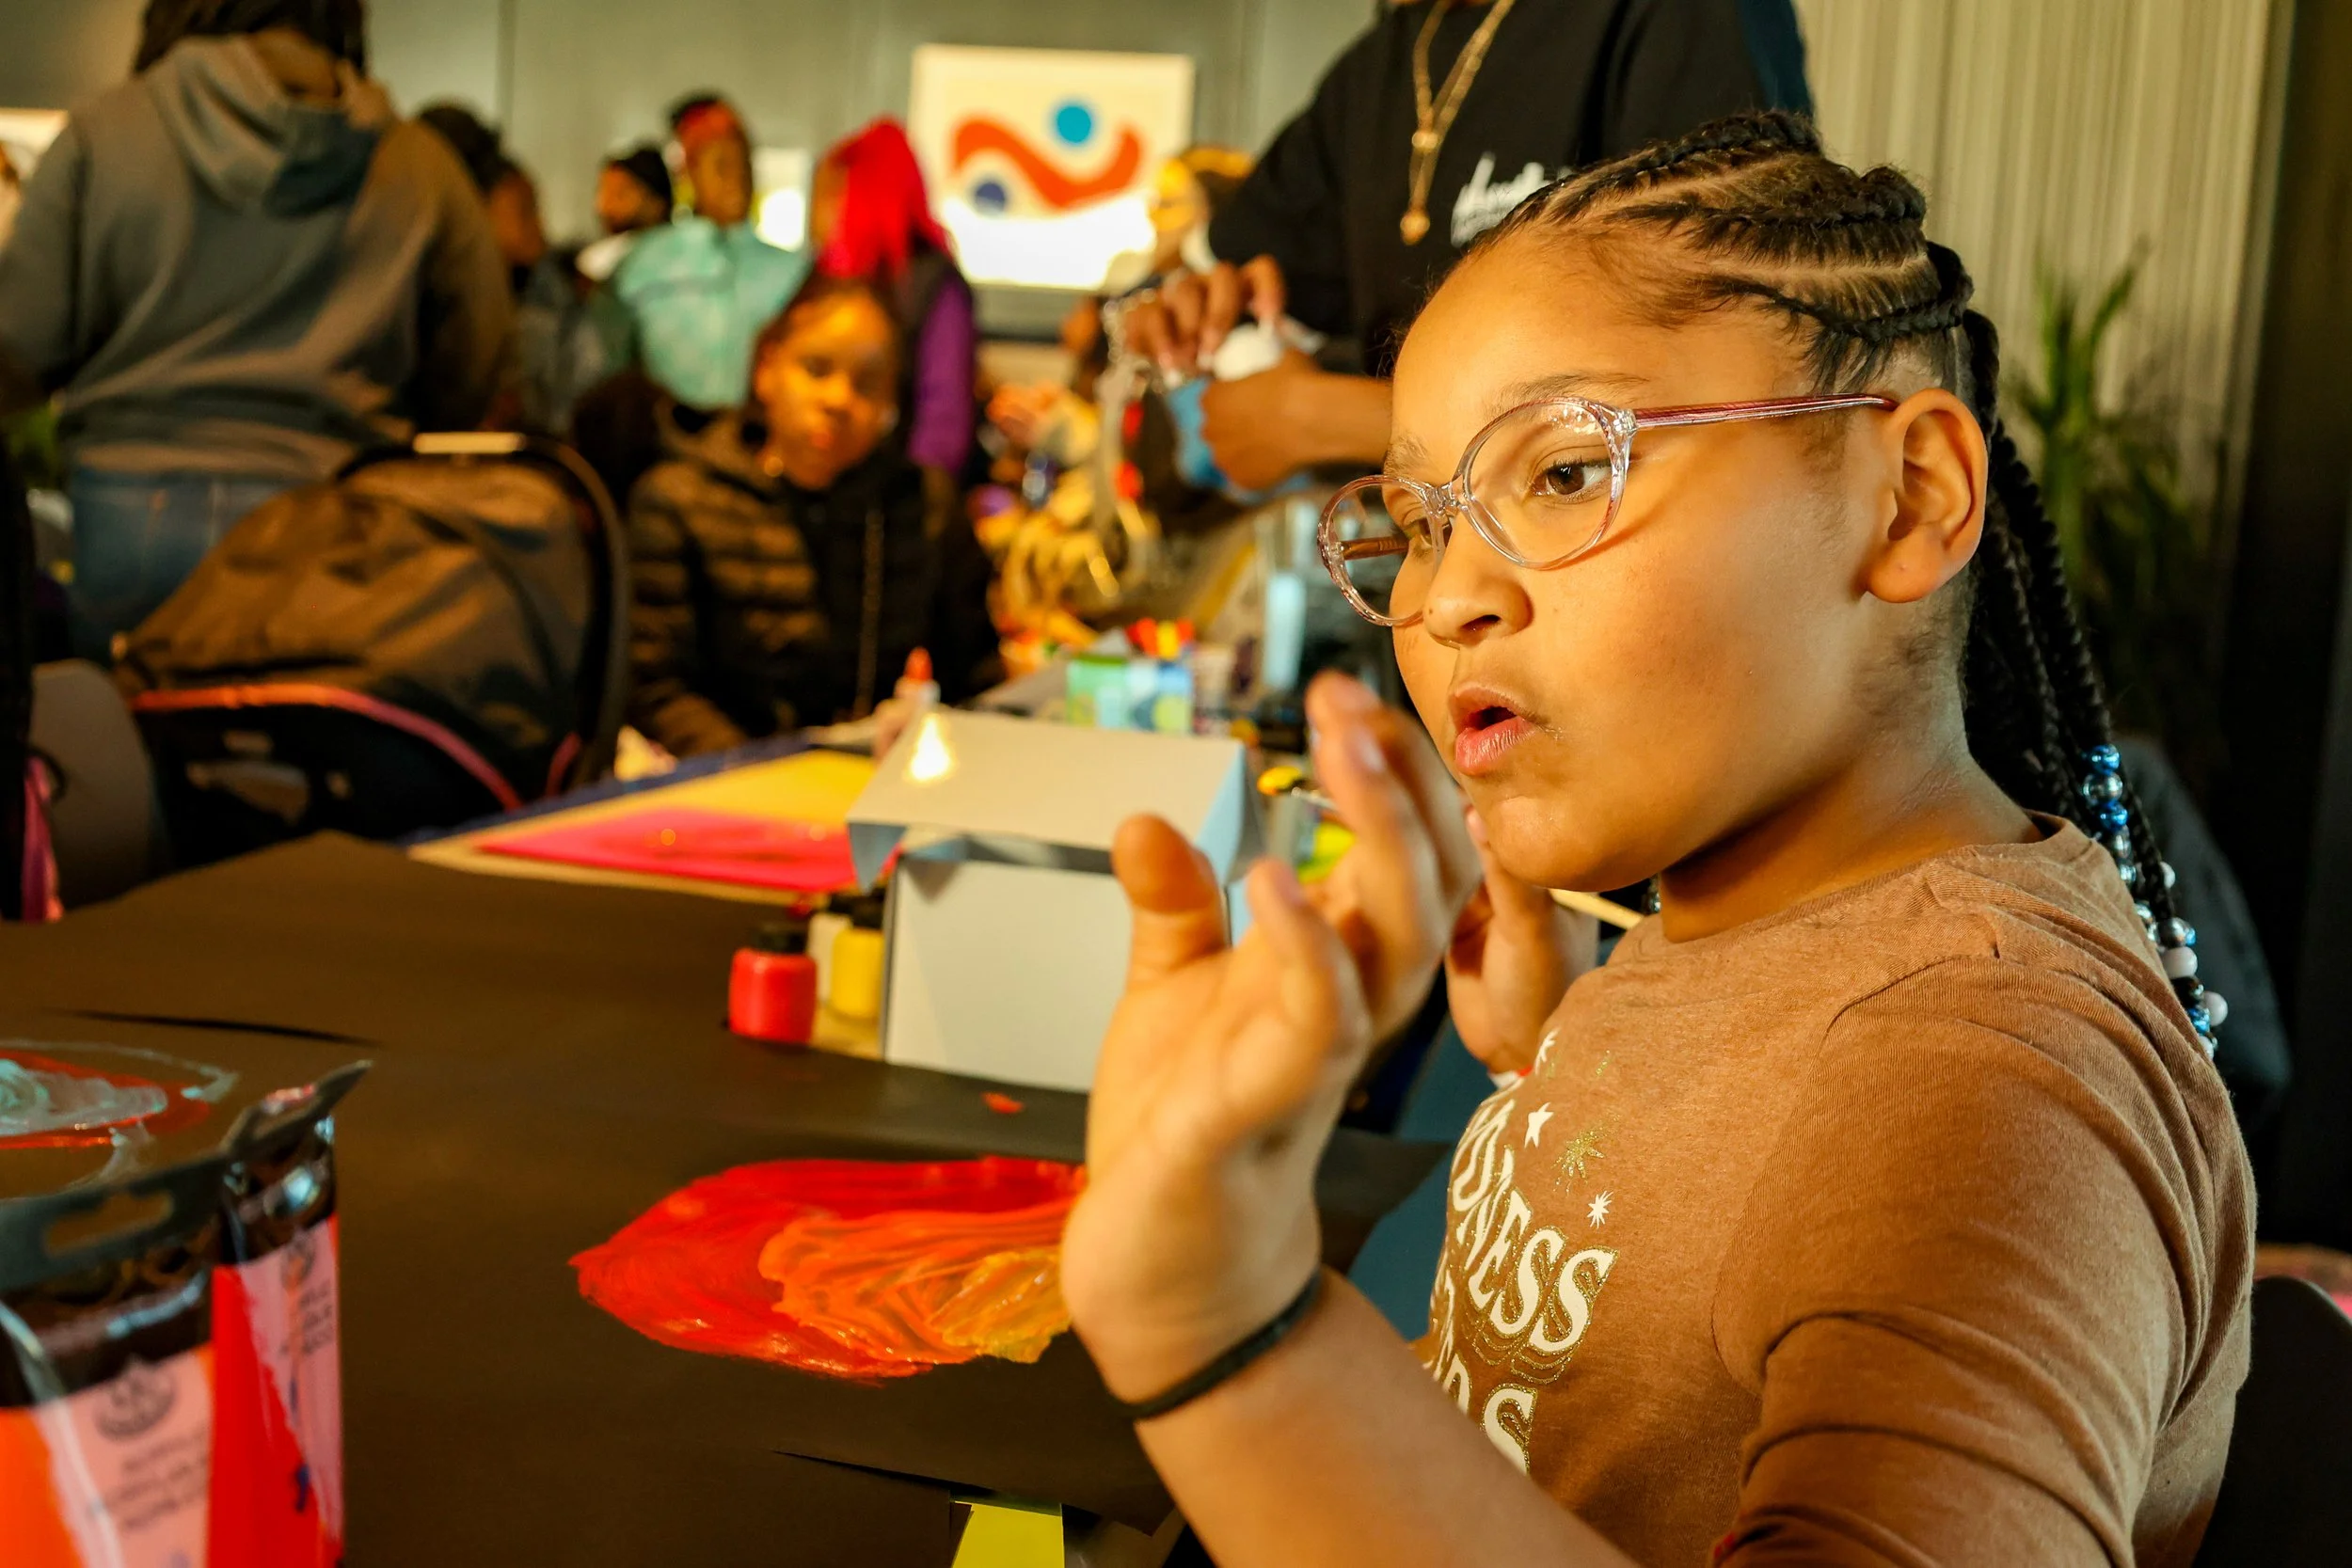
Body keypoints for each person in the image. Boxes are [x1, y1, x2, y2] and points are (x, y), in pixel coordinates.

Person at [1060, 112, 2252, 1567]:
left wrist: (1224, 1329)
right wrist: (1555, 1042)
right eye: (1422, 520)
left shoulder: (1985, 1084)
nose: (1445, 602)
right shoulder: (1767, 916)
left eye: (1562, 471)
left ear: (1910, 496)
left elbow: (1878, 1140)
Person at [1126, 0, 1810, 493]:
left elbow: (1735, 376)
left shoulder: (1677, 19)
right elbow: (1212, 278)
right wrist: (1189, 318)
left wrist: (1332, 421)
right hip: (1428, 584)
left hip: (1618, 604)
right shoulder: (1385, 65)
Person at [0, 0, 510, 658]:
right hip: (338, 523)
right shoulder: (417, 163)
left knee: (130, 743)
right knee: (308, 748)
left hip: (134, 520)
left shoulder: (105, 135)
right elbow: (480, 364)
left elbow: (20, 341)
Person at [626, 274, 999, 757]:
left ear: (890, 403)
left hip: (873, 782)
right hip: (721, 787)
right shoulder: (679, 500)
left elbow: (974, 675)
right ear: (766, 371)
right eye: (817, 369)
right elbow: (655, 689)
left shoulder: (921, 503)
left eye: (867, 383)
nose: (839, 400)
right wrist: (761, 779)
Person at [809, 119, 975, 498]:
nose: (818, 214)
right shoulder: (833, 280)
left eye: (830, 194)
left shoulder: (928, 285)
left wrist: (915, 508)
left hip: (890, 503)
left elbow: (942, 424)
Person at [612, 94, 805, 412]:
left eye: (745, 166)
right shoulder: (647, 262)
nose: (737, 181)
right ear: (691, 172)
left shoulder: (790, 269)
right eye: (721, 166)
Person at [596, 145, 673, 238]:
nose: (604, 207)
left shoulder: (685, 245)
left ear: (657, 201)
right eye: (603, 194)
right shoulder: (607, 250)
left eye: (620, 194)